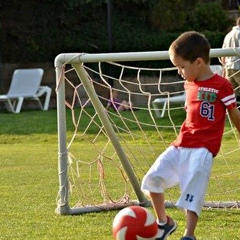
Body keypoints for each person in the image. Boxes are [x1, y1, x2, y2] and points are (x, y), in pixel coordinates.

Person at [141, 31, 240, 240]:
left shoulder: (222, 85)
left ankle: (189, 234)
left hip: (204, 149)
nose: (179, 72)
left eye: (181, 67)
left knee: (192, 191)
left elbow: (234, 113)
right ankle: (164, 222)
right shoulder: (189, 85)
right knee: (151, 179)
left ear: (199, 62)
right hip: (180, 144)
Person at [222, 17, 240, 105]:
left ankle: (229, 115)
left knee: (230, 95)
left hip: (229, 66)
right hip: (238, 66)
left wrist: (224, 68)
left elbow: (222, 53)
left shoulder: (228, 35)